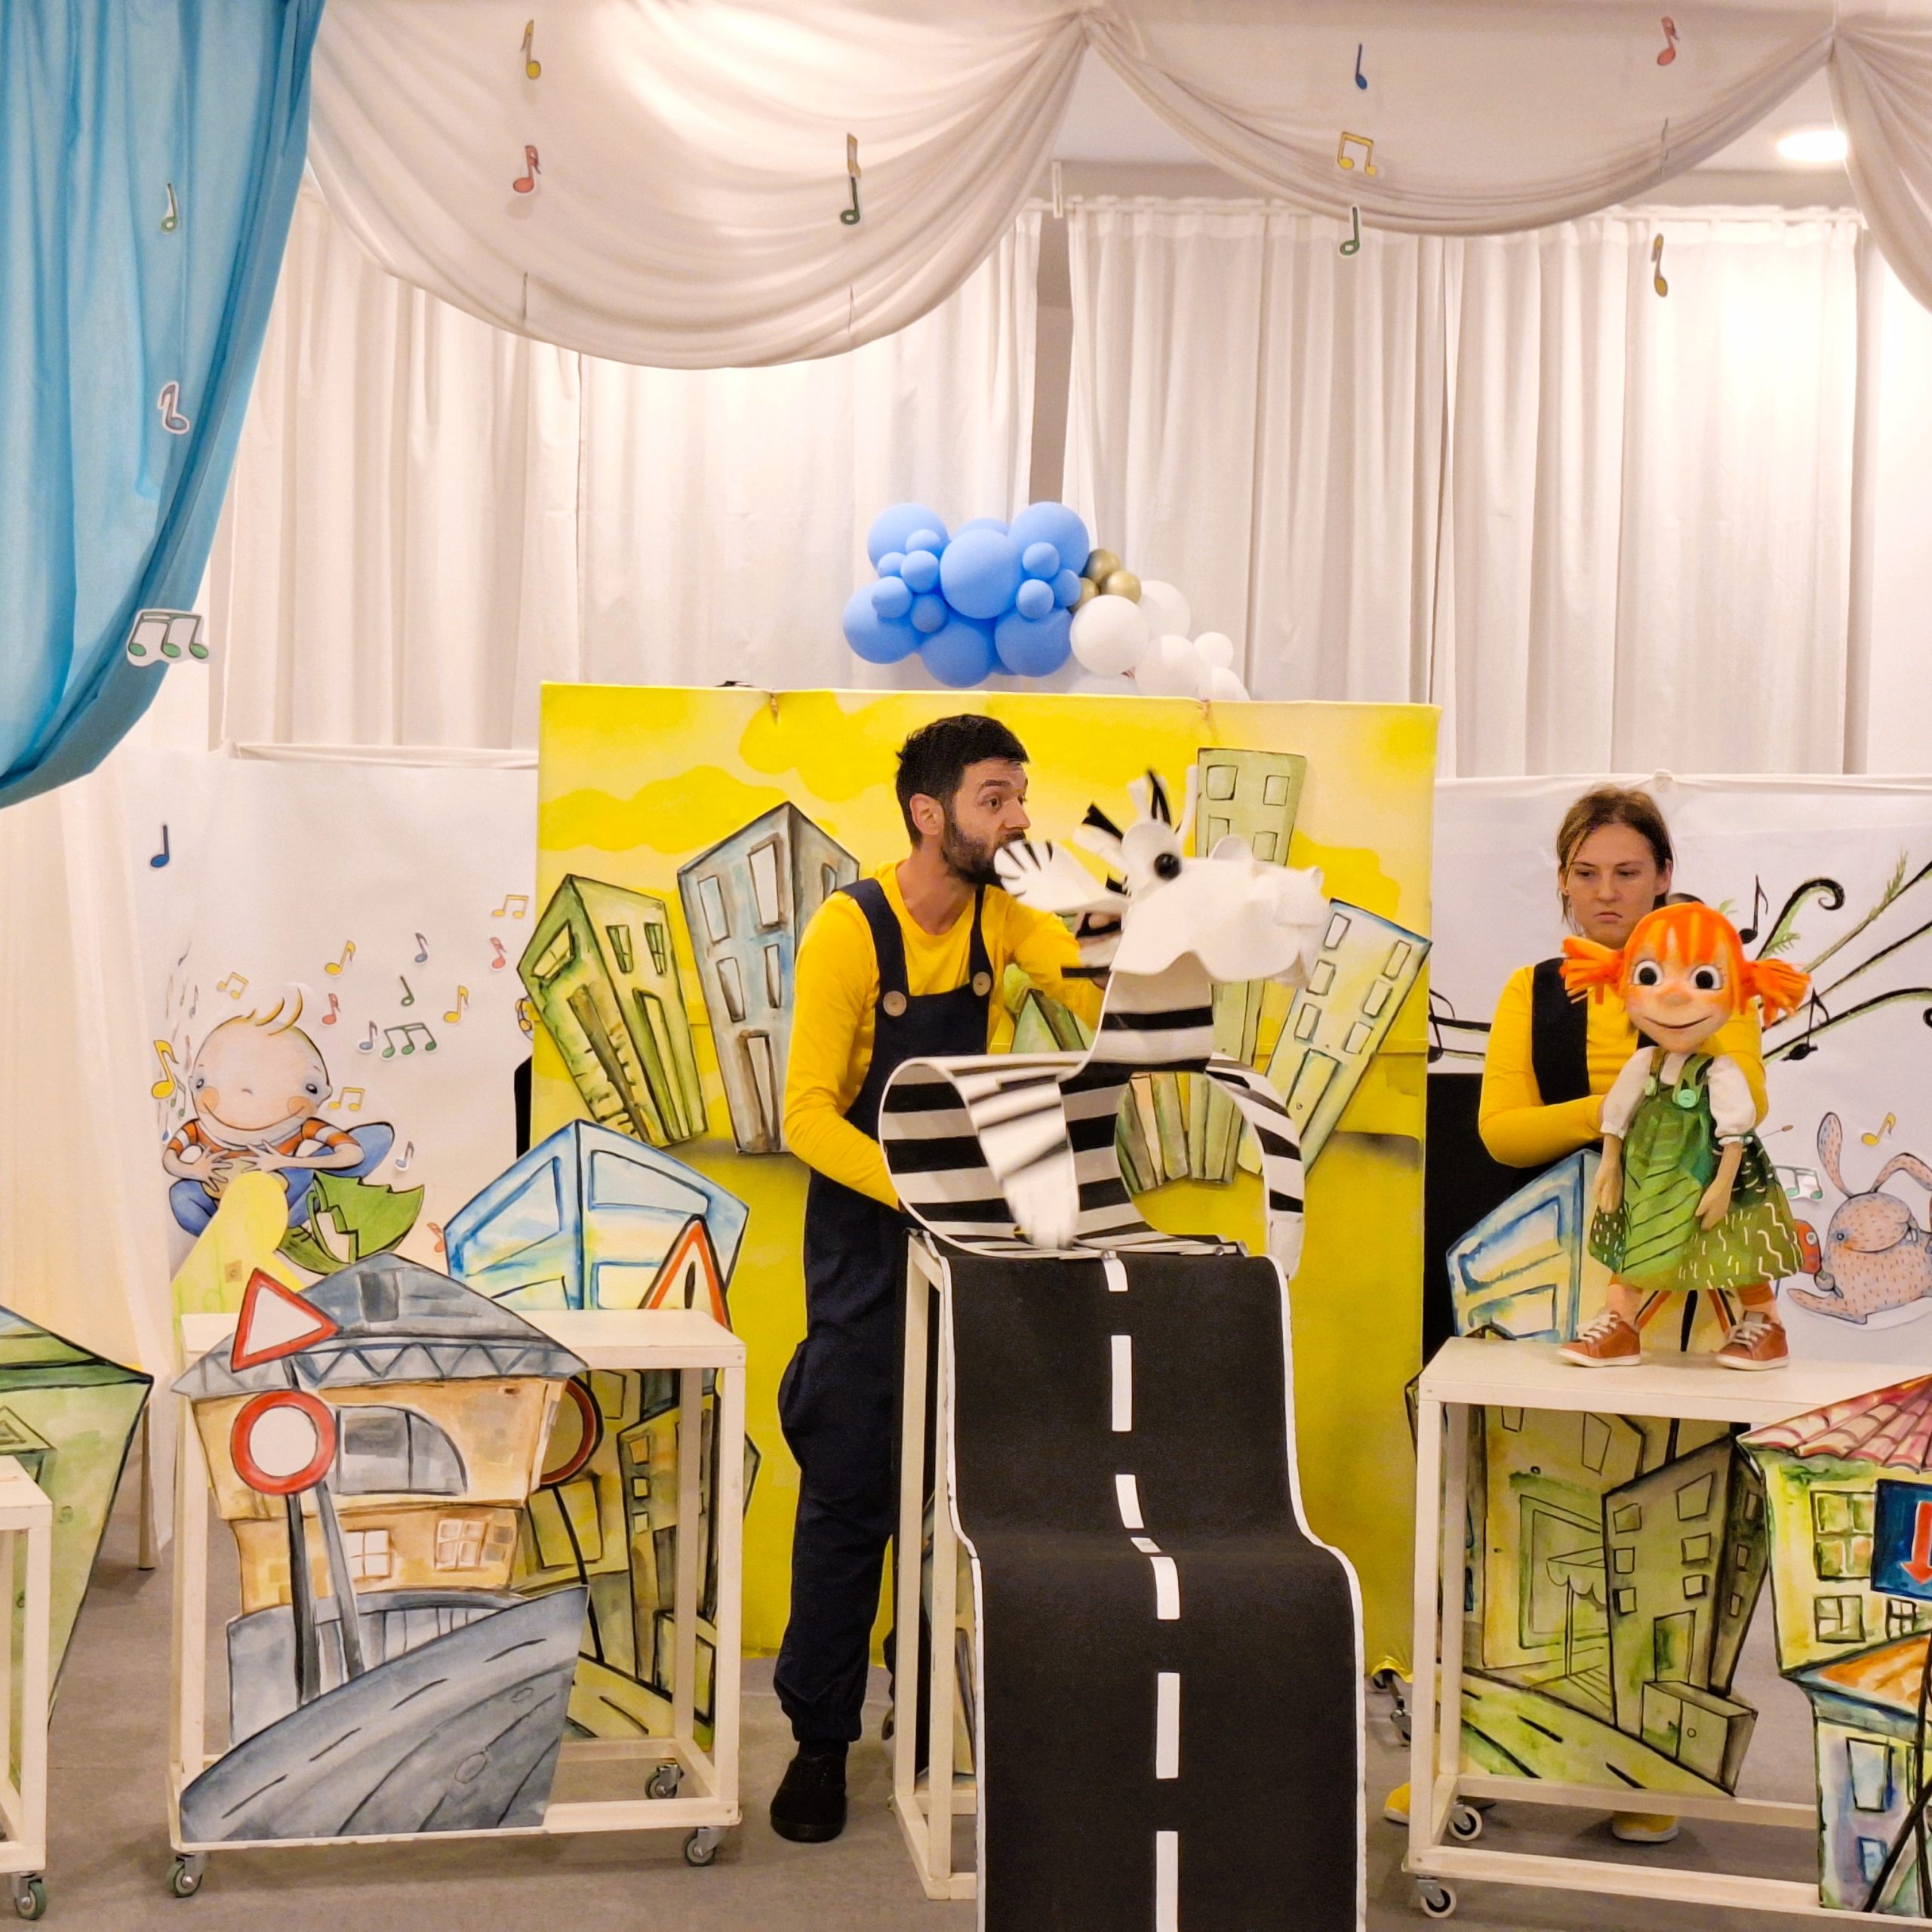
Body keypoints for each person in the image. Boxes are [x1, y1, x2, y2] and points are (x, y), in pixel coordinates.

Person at [1389, 786, 1770, 1844]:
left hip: (1682, 1286)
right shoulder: (1532, 989)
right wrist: (1622, 1107)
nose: (1607, 893)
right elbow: (1501, 1132)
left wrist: (1649, 1100)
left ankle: (1650, 1776)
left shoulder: (1715, 969)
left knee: (1668, 1516)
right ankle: (1473, 1751)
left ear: (1664, 876)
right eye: (1587, 873)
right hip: (1545, 1274)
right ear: (1562, 879)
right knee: (1506, 1522)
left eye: (1628, 872)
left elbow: (1747, 1099)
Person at [768, 713, 1100, 1844]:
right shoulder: (850, 930)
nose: (1017, 817)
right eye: (995, 799)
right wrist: (916, 1191)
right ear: (929, 812)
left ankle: (925, 1703)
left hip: (971, 1239)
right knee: (850, 1492)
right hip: (867, 1243)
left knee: (962, 1488)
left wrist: (1098, 921)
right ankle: (819, 1738)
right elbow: (806, 1115)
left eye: (1021, 796)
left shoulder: (1006, 915)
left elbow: (1099, 998)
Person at [1559, 902, 1807, 1368]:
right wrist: (1610, 1165)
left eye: (1704, 980)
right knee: (1635, 1239)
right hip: (1650, 1172)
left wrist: (1722, 1185)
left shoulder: (1721, 1070)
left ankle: (1766, 1323)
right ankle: (1620, 1326)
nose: (1673, 996)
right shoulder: (1644, 1064)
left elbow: (1735, 1132)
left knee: (1735, 1244)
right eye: (1649, 976)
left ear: (1738, 988)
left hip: (1709, 1172)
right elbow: (1616, 1116)